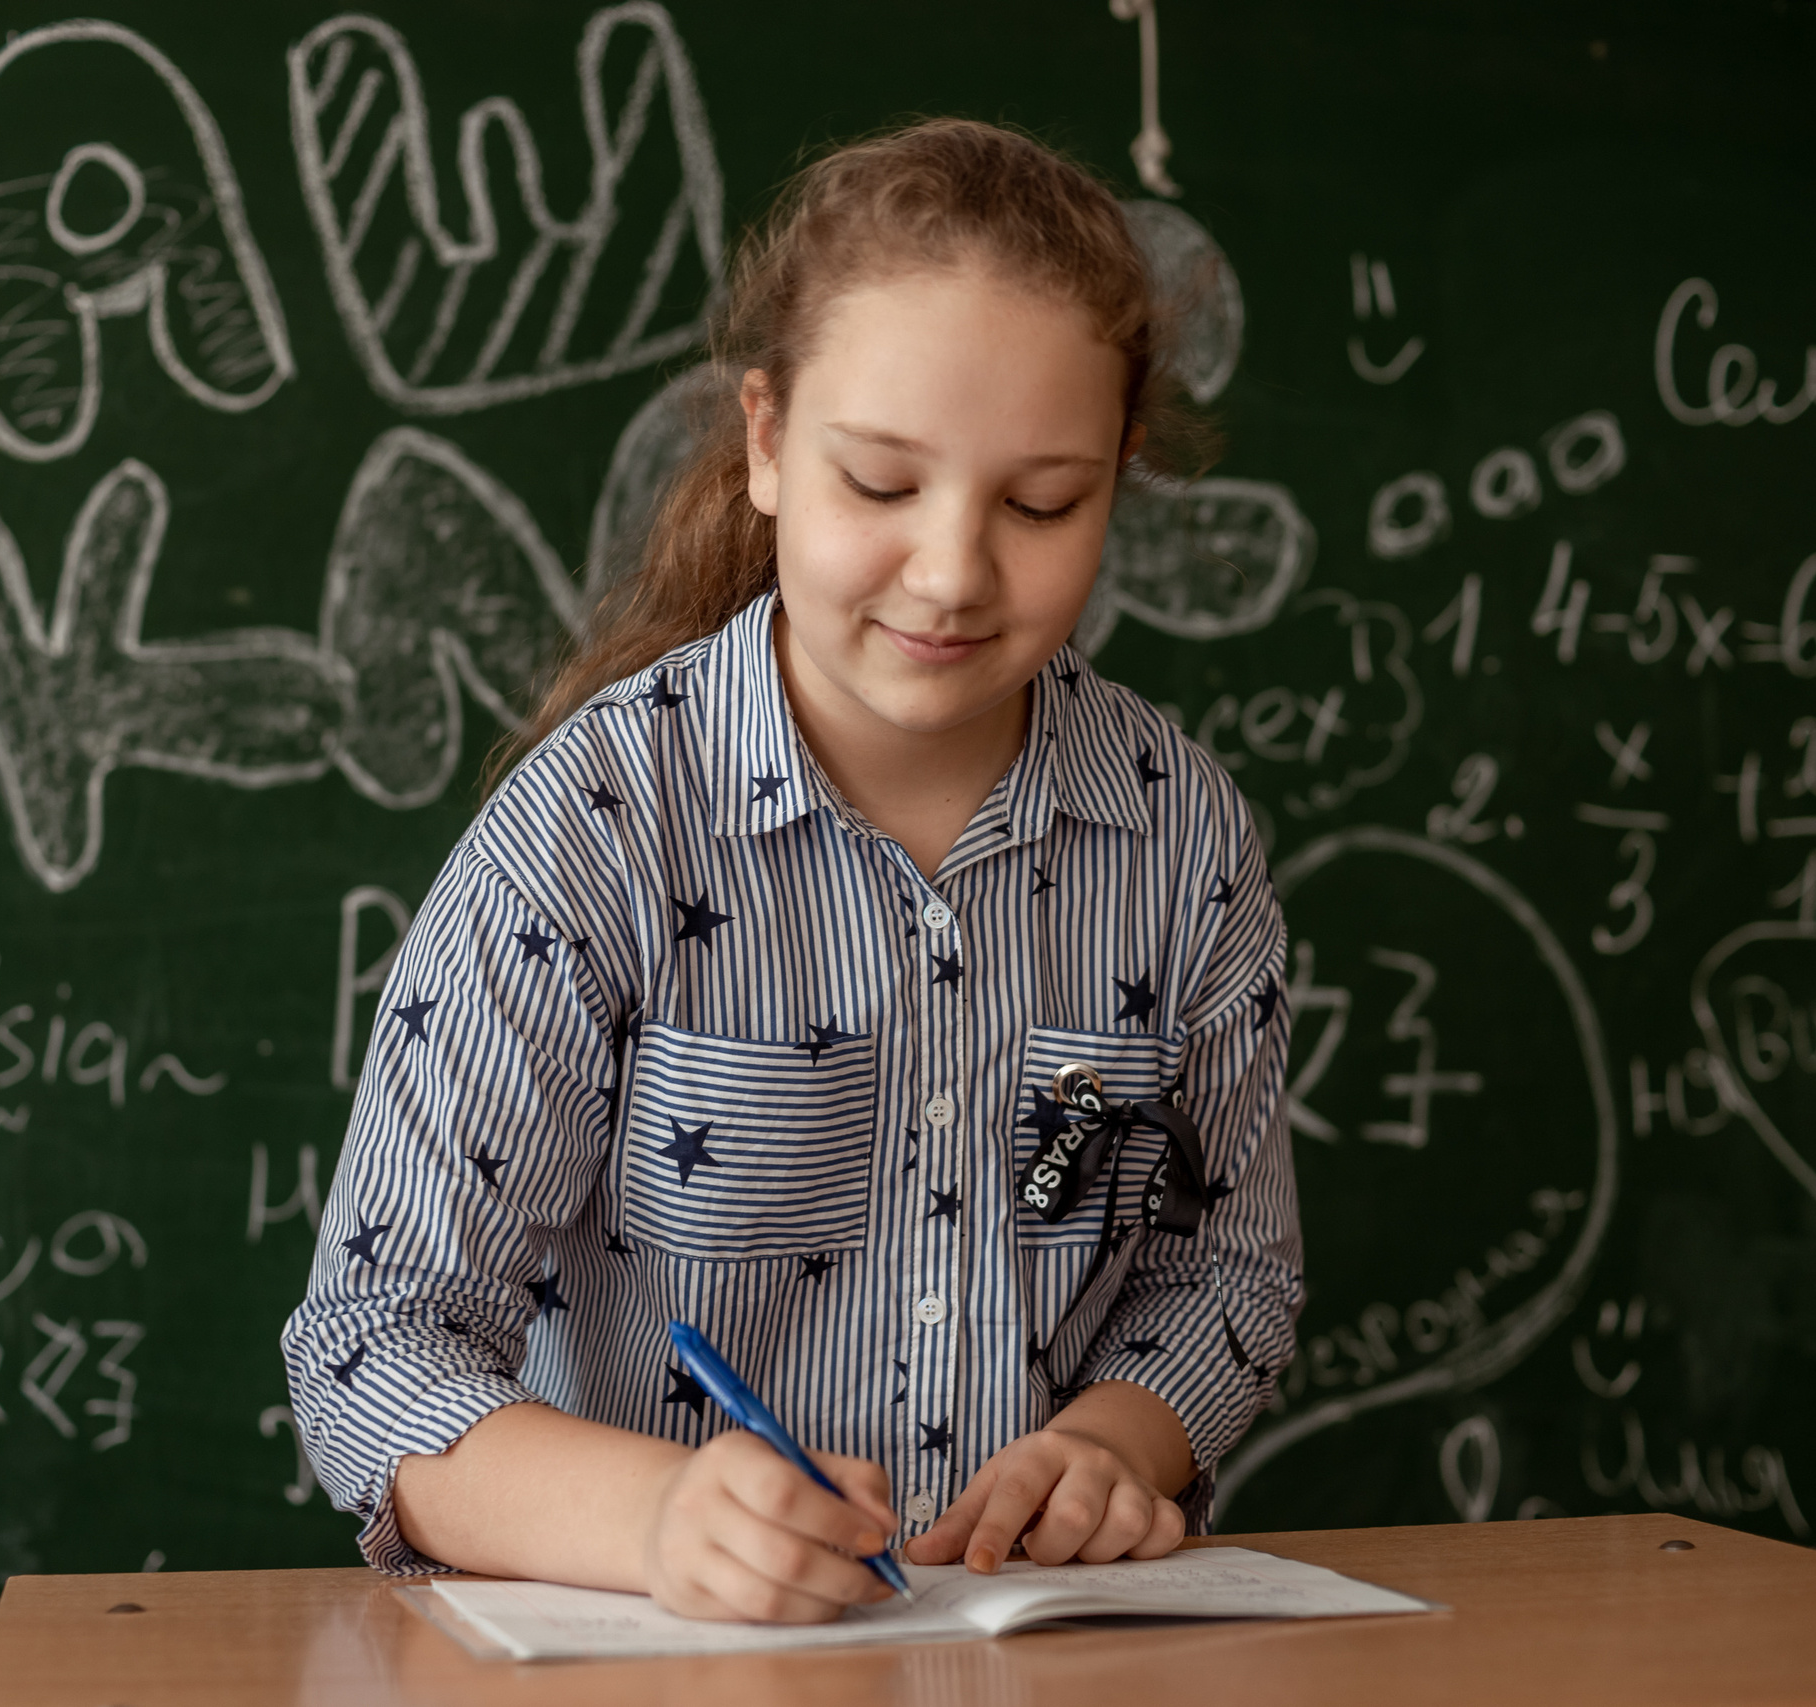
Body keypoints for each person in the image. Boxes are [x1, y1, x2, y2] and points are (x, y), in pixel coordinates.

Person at [282, 117, 1300, 1625]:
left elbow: (1228, 1277)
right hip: (660, 1659)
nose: (954, 572)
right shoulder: (597, 831)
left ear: (1118, 482)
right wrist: (657, 1522)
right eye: (881, 485)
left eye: (1040, 505)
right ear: (765, 441)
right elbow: (375, 1339)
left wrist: (1110, 1446)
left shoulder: (1178, 841)